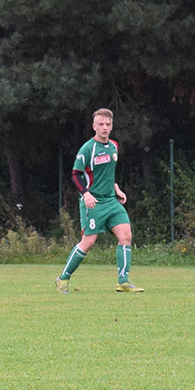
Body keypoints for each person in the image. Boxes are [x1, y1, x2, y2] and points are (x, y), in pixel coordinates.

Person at [55, 109, 143, 294]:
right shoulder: (88, 149)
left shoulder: (114, 146)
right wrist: (86, 194)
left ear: (112, 126)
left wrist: (116, 188)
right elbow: (75, 175)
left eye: (108, 124)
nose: (104, 127)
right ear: (94, 126)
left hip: (111, 201)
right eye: (101, 124)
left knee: (126, 235)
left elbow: (108, 173)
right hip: (93, 202)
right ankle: (63, 278)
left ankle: (123, 281)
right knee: (88, 242)